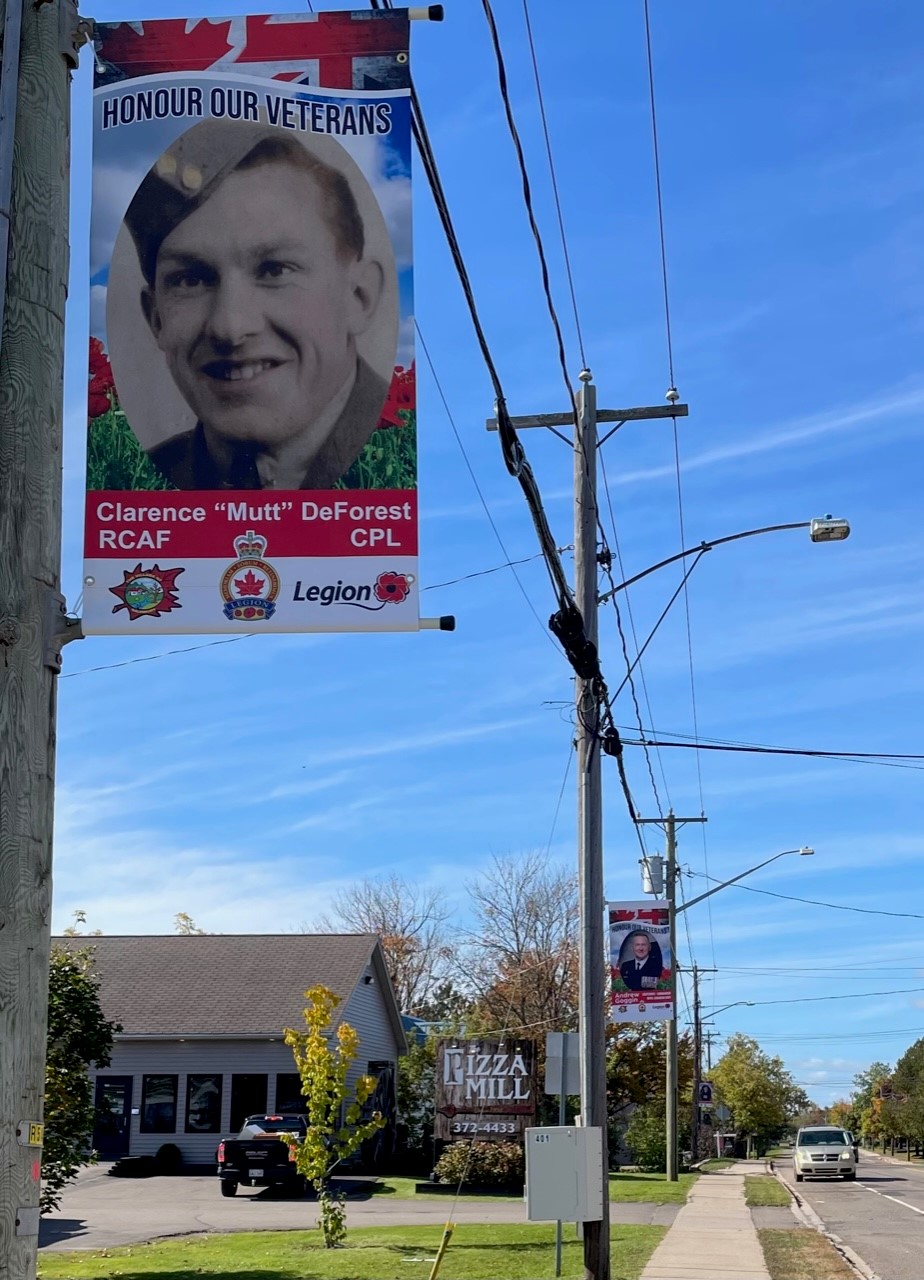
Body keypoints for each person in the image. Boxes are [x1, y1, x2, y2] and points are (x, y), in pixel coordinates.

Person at [122, 118, 392, 490]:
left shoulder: (408, 462)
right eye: (190, 279)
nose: (229, 327)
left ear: (359, 297)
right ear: (156, 319)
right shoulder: (141, 478)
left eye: (275, 270)